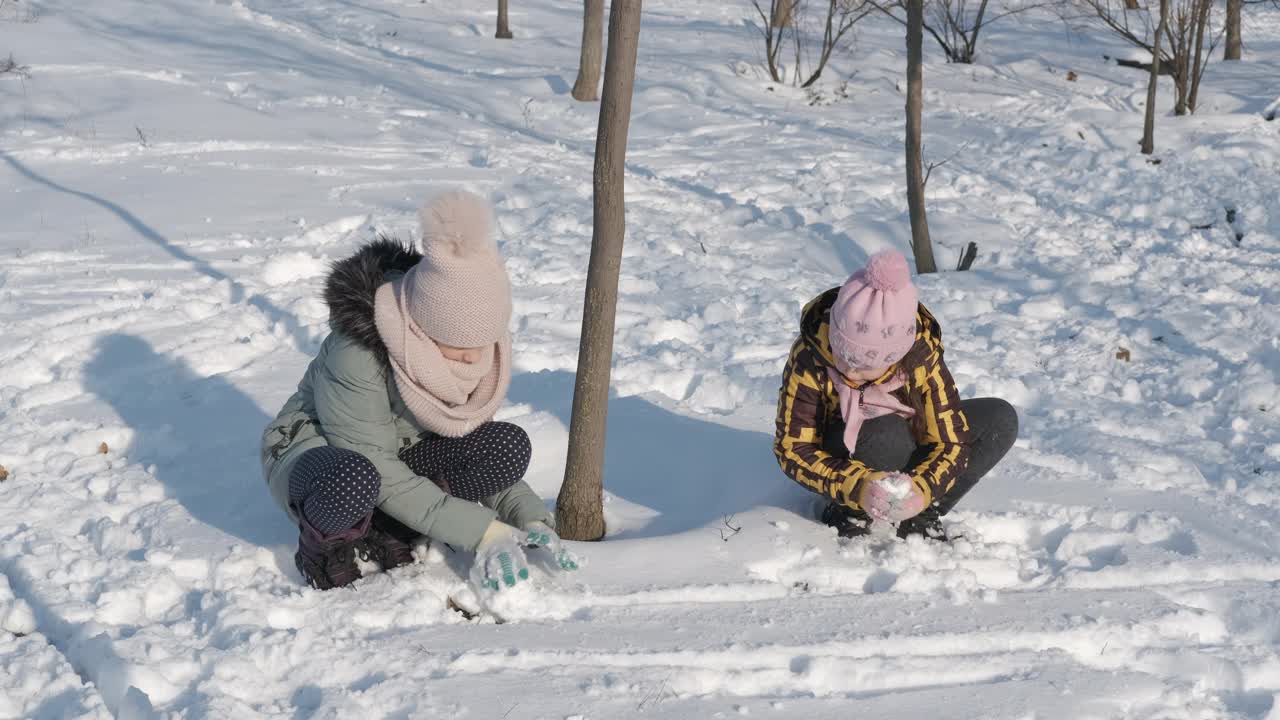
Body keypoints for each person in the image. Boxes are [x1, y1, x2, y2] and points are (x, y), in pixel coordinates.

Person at [261, 191, 577, 591]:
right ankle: (323, 548)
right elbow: (375, 462)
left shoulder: (474, 350)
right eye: (460, 348)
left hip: (399, 456)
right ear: (424, 330)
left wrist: (529, 517)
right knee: (352, 479)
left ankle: (391, 527)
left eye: (483, 345)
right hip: (324, 456)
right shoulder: (358, 351)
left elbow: (465, 435)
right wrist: (483, 532)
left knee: (504, 446)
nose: (472, 360)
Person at [773, 249, 1018, 539]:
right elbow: (793, 448)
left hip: (908, 449)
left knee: (999, 419)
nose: (850, 373)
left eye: (864, 367)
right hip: (847, 465)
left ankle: (918, 514)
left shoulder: (920, 358)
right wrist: (857, 487)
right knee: (883, 427)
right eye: (843, 357)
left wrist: (924, 491)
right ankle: (853, 513)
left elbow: (950, 440)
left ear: (895, 357)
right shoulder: (810, 357)